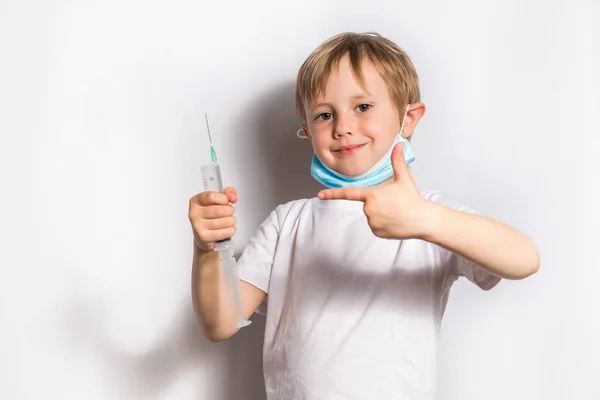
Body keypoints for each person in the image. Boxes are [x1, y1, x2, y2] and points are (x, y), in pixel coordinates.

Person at [188, 32, 540, 400]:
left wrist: (426, 220)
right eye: (325, 115)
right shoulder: (287, 224)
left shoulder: (429, 214)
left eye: (363, 107)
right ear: (308, 132)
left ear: (409, 119)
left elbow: (525, 259)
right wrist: (206, 248)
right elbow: (220, 321)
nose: (343, 127)